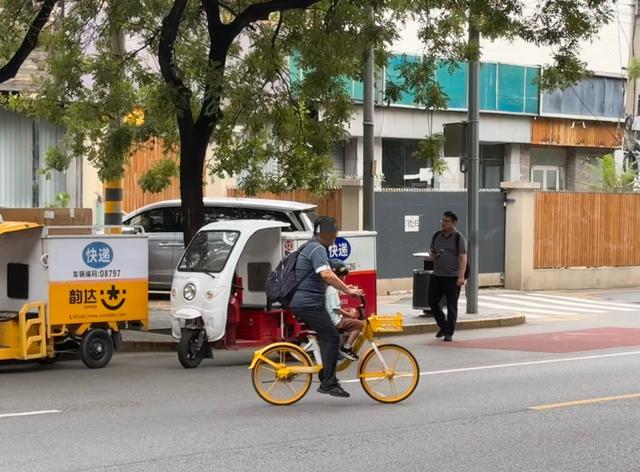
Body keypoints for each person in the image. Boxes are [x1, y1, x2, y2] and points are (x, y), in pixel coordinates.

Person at [288, 216, 362, 398]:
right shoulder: (317, 248)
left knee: (329, 336)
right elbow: (327, 275)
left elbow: (328, 279)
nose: (335, 238)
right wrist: (347, 290)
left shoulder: (312, 246)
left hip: (308, 302)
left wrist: (347, 288)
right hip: (308, 303)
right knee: (332, 337)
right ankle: (328, 383)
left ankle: (326, 374)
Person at [428, 211, 467, 342]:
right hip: (437, 275)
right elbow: (432, 252)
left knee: (451, 305)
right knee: (432, 302)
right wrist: (434, 255)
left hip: (452, 277)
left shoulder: (458, 237)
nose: (443, 223)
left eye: (446, 221)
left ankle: (448, 332)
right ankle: (443, 325)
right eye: (442, 220)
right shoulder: (436, 235)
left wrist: (461, 276)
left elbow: (463, 258)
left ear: (454, 223)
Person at [325, 260, 364, 361]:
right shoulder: (332, 291)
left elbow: (333, 307)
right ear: (338, 277)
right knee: (359, 324)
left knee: (351, 323)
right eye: (343, 277)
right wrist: (349, 314)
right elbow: (336, 309)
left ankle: (341, 347)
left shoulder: (330, 288)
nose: (344, 279)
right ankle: (346, 348)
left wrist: (347, 311)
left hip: (332, 319)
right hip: (336, 321)